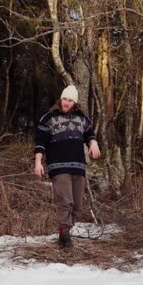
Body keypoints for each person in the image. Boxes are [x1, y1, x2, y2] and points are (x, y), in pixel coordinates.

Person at [33, 85, 100, 248]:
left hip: (78, 166)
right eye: (64, 99)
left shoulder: (82, 118)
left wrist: (93, 142)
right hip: (58, 166)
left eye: (70, 100)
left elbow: (89, 134)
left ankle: (65, 232)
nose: (66, 103)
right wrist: (38, 162)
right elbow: (40, 142)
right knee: (65, 201)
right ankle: (65, 236)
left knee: (77, 205)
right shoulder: (49, 118)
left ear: (75, 102)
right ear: (60, 99)